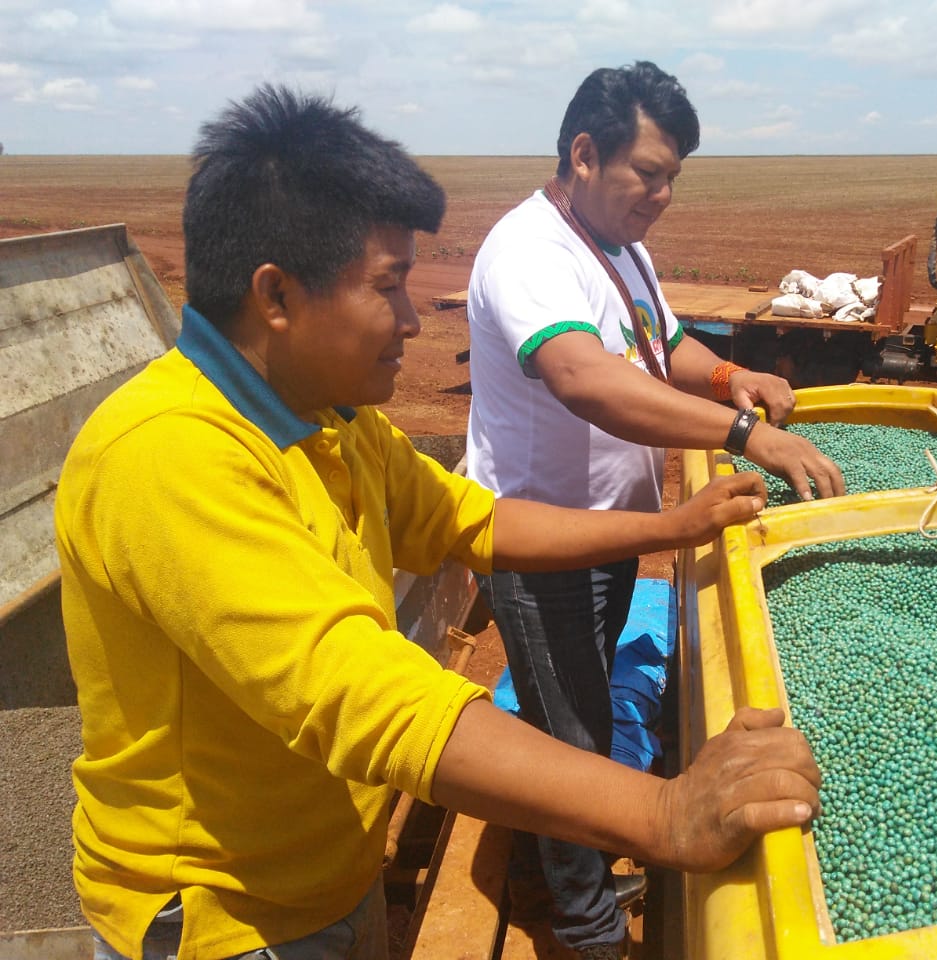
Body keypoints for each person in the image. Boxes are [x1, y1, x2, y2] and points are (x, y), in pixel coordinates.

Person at [55, 85, 821, 960]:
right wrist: (662, 810)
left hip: (329, 878)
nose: (417, 322)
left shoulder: (330, 420)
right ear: (276, 295)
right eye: (390, 288)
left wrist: (664, 529)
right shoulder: (166, 457)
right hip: (228, 923)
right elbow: (363, 692)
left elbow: (475, 522)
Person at [465, 61, 846, 957]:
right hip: (540, 539)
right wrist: (746, 434)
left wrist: (729, 375)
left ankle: (574, 866)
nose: (664, 195)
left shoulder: (620, 248)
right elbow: (586, 379)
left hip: (609, 535)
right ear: (584, 153)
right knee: (568, 736)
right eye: (650, 173)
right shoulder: (529, 251)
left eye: (675, 176)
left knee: (587, 716)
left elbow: (657, 342)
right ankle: (590, 928)